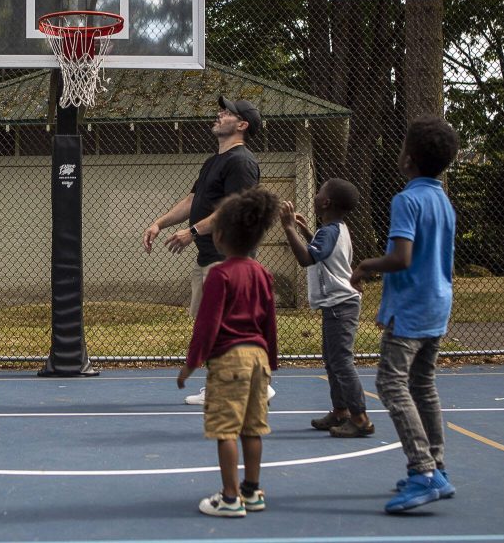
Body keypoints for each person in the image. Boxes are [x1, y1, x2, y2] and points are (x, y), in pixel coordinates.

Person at [350, 115, 460, 513]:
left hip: (413, 308)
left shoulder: (407, 200)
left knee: (391, 384)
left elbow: (401, 258)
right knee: (423, 385)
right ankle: (439, 467)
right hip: (436, 303)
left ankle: (423, 471)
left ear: (408, 158)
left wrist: (364, 265)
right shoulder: (442, 201)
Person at [144, 96, 274, 405]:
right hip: (208, 255)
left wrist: (192, 231)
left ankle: (248, 383)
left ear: (241, 125)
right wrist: (159, 223)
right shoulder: (213, 161)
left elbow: (233, 209)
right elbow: (192, 201)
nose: (219, 115)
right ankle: (237, 382)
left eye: (227, 113)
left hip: (226, 258)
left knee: (223, 324)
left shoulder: (241, 162)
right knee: (211, 321)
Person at [177, 187, 279, 517]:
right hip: (258, 360)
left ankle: (230, 497)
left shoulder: (220, 274)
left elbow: (207, 325)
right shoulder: (263, 273)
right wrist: (271, 360)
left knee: (226, 431)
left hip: (230, 360)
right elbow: (269, 321)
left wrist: (190, 364)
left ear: (219, 236)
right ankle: (252, 490)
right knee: (253, 428)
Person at [280, 178, 373, 438]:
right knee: (333, 362)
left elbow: (306, 258)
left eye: (319, 191)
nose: (316, 193)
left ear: (326, 202)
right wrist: (306, 231)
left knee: (341, 362)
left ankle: (360, 418)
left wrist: (288, 228)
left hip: (340, 304)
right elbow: (321, 253)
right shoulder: (335, 229)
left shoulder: (330, 231)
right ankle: (341, 411)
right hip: (338, 304)